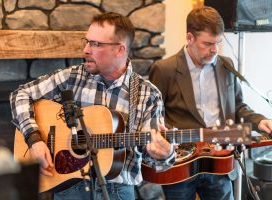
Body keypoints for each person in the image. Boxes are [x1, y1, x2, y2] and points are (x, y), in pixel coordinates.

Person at [10, 12, 175, 200]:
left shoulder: (147, 94)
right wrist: (34, 140)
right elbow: (20, 94)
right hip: (69, 188)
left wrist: (164, 155)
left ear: (119, 50)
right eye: (87, 41)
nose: (86, 49)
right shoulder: (72, 77)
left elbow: (154, 162)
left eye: (95, 44)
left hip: (116, 192)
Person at [149, 6, 272, 200]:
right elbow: (154, 119)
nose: (214, 50)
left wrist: (259, 121)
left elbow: (238, 106)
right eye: (208, 43)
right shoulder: (164, 69)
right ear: (189, 38)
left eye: (218, 43)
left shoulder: (225, 64)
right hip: (180, 166)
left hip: (220, 161)